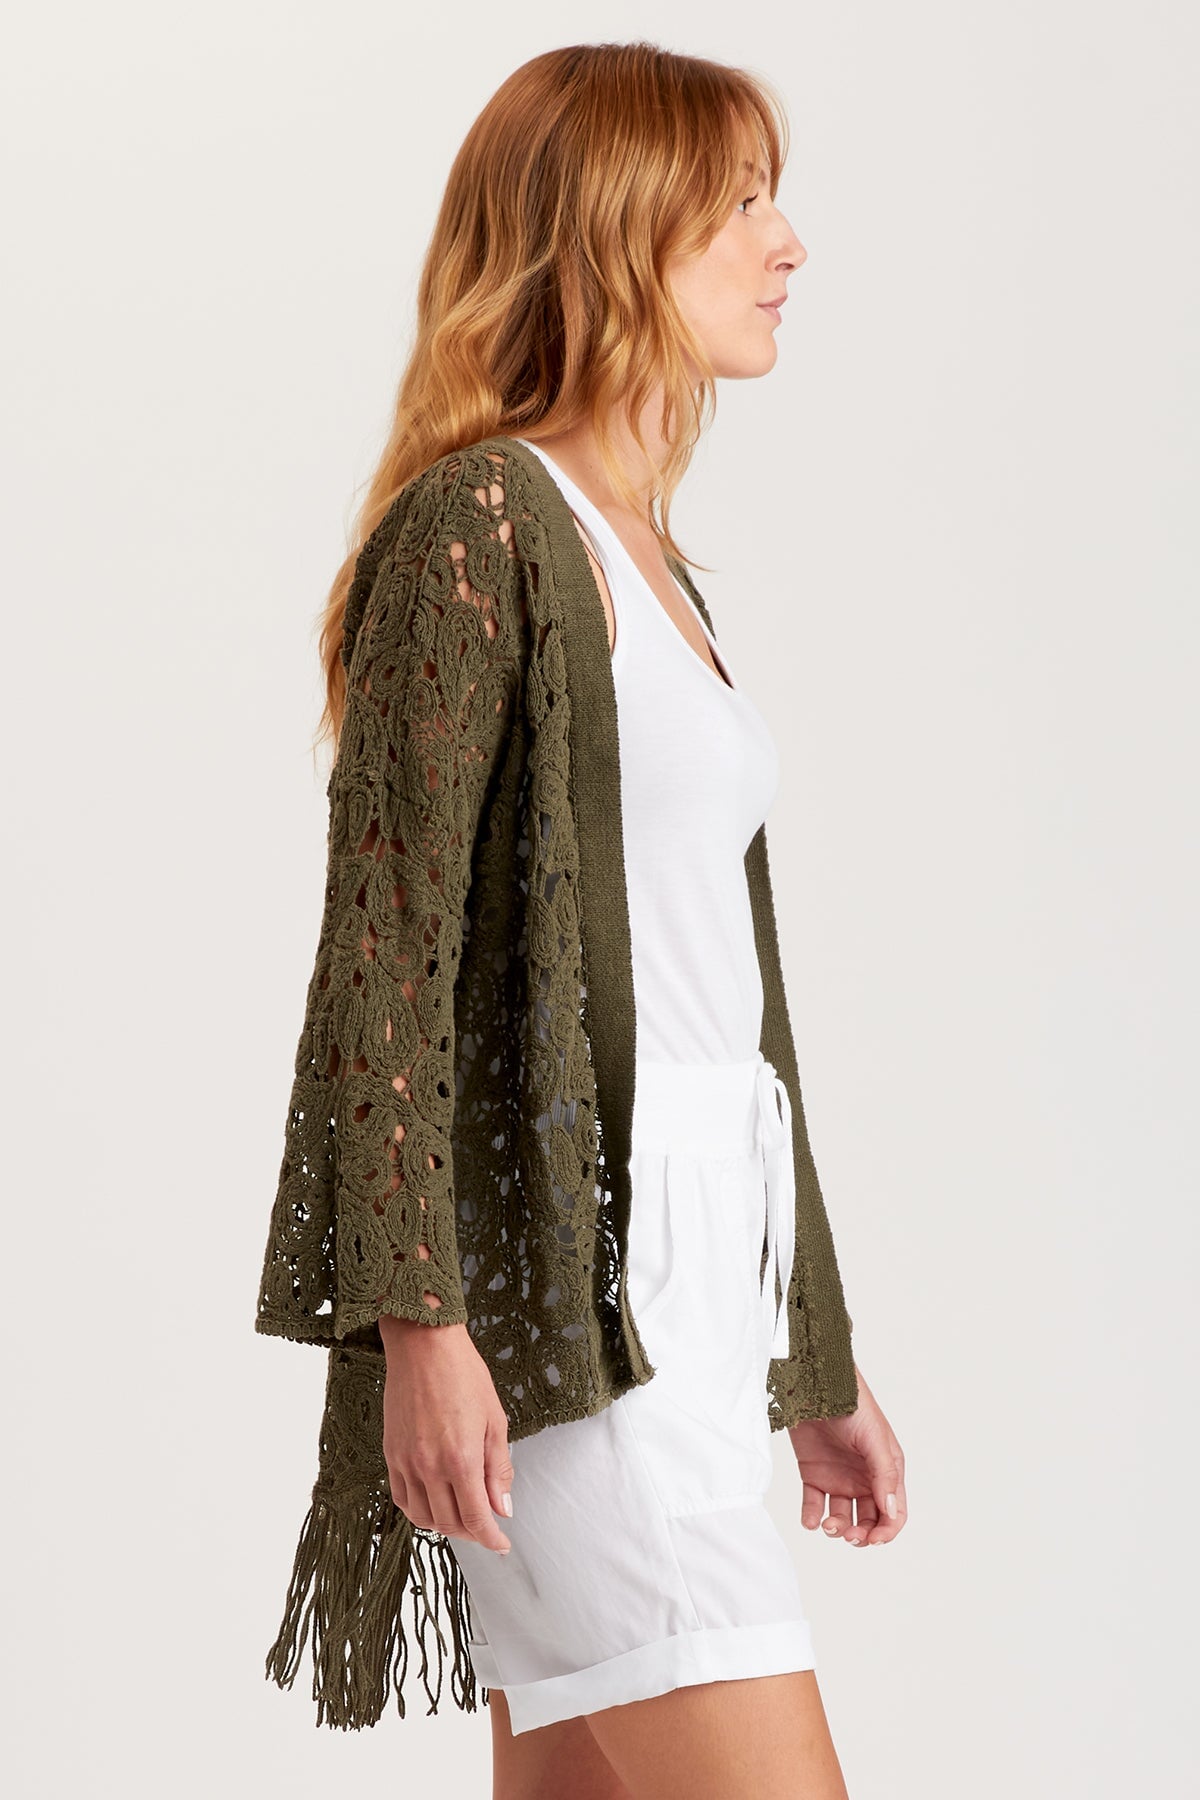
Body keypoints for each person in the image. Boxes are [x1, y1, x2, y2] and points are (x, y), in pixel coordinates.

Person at [253, 38, 907, 1800]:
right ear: (618, 232)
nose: (787, 242)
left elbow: (727, 1000)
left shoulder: (647, 561)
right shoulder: (481, 528)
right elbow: (385, 963)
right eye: (741, 202)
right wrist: (420, 1328)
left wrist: (811, 1353)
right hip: (576, 1322)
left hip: (696, 1305)